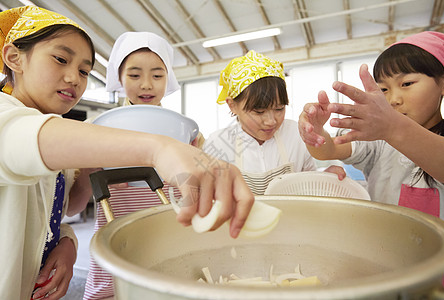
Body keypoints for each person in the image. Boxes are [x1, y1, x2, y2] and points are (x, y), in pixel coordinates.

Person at [0, 6, 254, 300]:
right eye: (60, 59)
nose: (73, 78)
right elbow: (29, 136)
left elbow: (62, 208)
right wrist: (159, 148)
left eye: (84, 71)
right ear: (13, 57)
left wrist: (66, 242)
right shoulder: (16, 119)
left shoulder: (59, 131)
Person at [79, 31, 194, 300]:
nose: (146, 85)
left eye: (157, 75)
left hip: (168, 236)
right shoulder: (100, 129)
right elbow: (75, 203)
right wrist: (89, 163)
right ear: (119, 78)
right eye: (134, 75)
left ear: (169, 78)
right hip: (116, 236)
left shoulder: (185, 130)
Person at [298, 31, 444, 221]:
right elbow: (329, 149)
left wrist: (392, 128)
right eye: (384, 89)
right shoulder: (380, 141)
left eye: (407, 83)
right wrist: (316, 132)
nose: (393, 99)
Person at [203, 50, 345, 195]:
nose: (271, 121)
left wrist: (323, 177)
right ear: (232, 105)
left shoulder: (296, 134)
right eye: (259, 112)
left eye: (279, 109)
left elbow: (307, 183)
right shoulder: (218, 145)